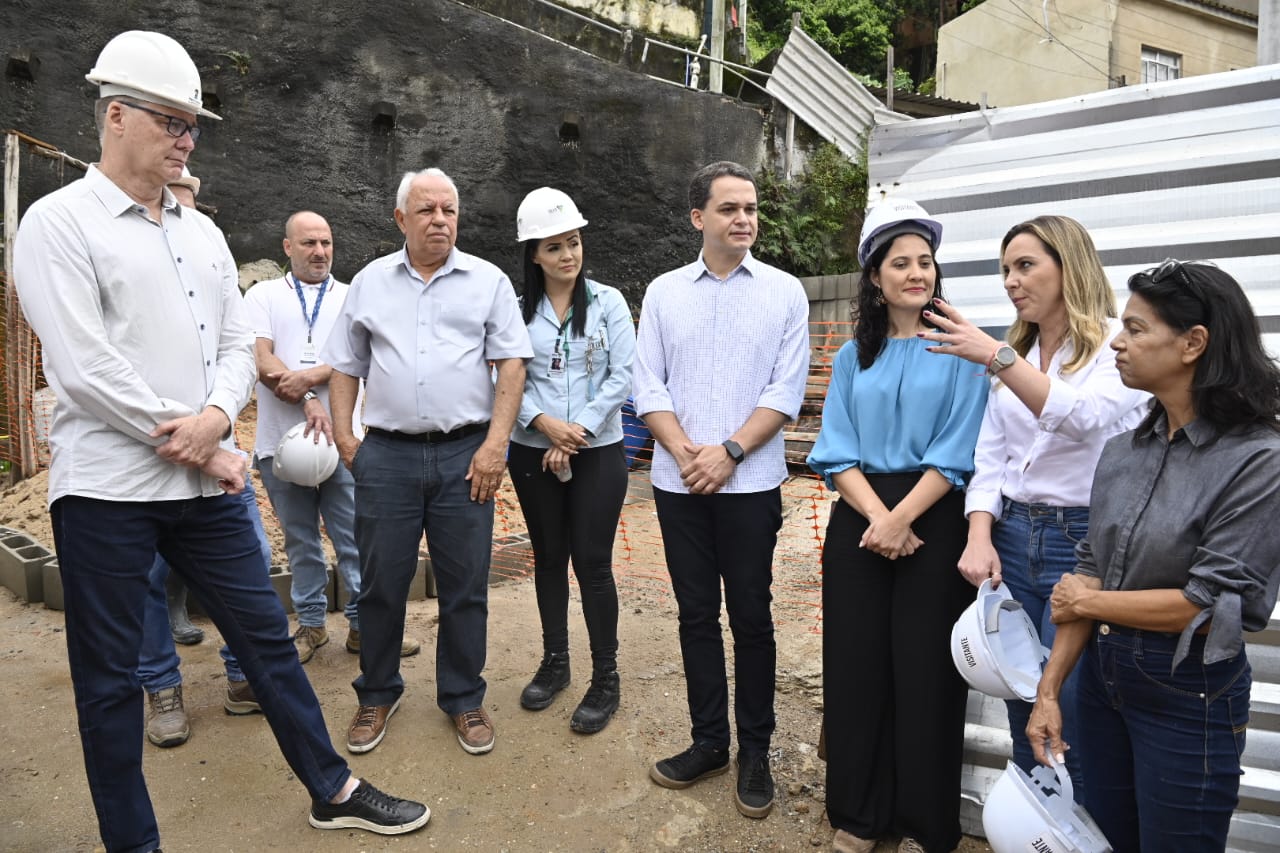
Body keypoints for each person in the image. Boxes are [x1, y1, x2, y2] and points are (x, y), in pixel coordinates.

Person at [12, 31, 428, 849]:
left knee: (268, 641)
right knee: (107, 679)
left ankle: (332, 786)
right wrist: (205, 436)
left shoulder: (201, 233)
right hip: (107, 493)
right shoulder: (58, 223)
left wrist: (215, 415)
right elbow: (83, 366)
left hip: (204, 491)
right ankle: (134, 840)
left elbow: (237, 342)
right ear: (117, 115)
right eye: (172, 119)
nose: (187, 137)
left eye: (193, 124)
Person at [1025, 260, 1280, 852]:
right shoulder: (1123, 449)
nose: (1117, 341)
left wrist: (1091, 598)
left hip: (1188, 692)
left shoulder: (1257, 460)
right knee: (1105, 839)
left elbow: (1209, 602)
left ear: (1193, 343)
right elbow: (1089, 567)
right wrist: (1050, 689)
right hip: (1102, 678)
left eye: (1136, 329)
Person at [919, 215, 1149, 794]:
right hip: (1017, 537)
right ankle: (1031, 819)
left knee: (1072, 700)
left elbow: (1083, 418)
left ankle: (1081, 824)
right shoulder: (1016, 353)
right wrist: (979, 534)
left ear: (1068, 265)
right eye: (1005, 270)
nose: (1010, 282)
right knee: (1021, 694)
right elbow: (991, 459)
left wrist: (997, 357)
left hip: (1086, 542)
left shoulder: (1115, 345)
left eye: (1025, 265)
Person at [324, 168, 532, 757]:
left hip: (467, 454)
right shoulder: (369, 283)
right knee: (383, 583)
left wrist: (495, 446)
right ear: (400, 219)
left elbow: (512, 363)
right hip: (385, 455)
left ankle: (464, 697)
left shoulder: (486, 281)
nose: (440, 220)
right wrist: (345, 439)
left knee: (465, 586)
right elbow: (345, 365)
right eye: (427, 210)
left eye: (449, 210)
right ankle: (378, 692)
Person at [807, 199, 989, 853]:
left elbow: (959, 447)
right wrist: (881, 517)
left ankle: (922, 823)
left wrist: (904, 516)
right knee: (856, 668)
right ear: (875, 276)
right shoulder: (857, 353)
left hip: (933, 517)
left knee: (927, 675)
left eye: (925, 261)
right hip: (861, 515)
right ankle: (858, 815)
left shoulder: (964, 345)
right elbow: (835, 448)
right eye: (901, 262)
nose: (917, 272)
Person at [633, 161, 810, 819]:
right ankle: (709, 740)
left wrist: (731, 452)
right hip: (678, 484)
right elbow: (648, 385)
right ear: (697, 217)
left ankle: (755, 749)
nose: (745, 219)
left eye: (752, 207)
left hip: (752, 481)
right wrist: (685, 452)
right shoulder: (663, 293)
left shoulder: (786, 292)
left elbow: (784, 392)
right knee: (695, 615)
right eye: (730, 207)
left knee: (752, 617)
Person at [136, 167, 276, 749]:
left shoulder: (208, 256)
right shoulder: (129, 264)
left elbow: (237, 350)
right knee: (146, 576)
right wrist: (186, 435)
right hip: (143, 455)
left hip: (222, 454)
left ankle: (243, 676)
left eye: (187, 204)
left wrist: (215, 424)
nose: (177, 213)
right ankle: (162, 687)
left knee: (254, 558)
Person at [243, 211, 421, 664]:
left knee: (356, 539)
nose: (320, 252)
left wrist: (310, 376)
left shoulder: (351, 294)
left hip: (345, 443)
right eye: (308, 243)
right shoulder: (263, 295)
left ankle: (366, 627)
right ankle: (311, 624)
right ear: (287, 247)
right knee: (300, 540)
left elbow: (366, 357)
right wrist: (307, 396)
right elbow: (259, 358)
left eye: (326, 242)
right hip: (279, 443)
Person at [508, 187, 636, 734]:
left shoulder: (608, 302)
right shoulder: (517, 313)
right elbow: (505, 375)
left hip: (598, 451)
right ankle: (556, 661)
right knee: (549, 555)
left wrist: (574, 431)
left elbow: (622, 376)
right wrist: (543, 425)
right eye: (555, 246)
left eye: (575, 242)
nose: (568, 255)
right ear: (534, 254)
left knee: (593, 561)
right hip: (533, 450)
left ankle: (605, 677)